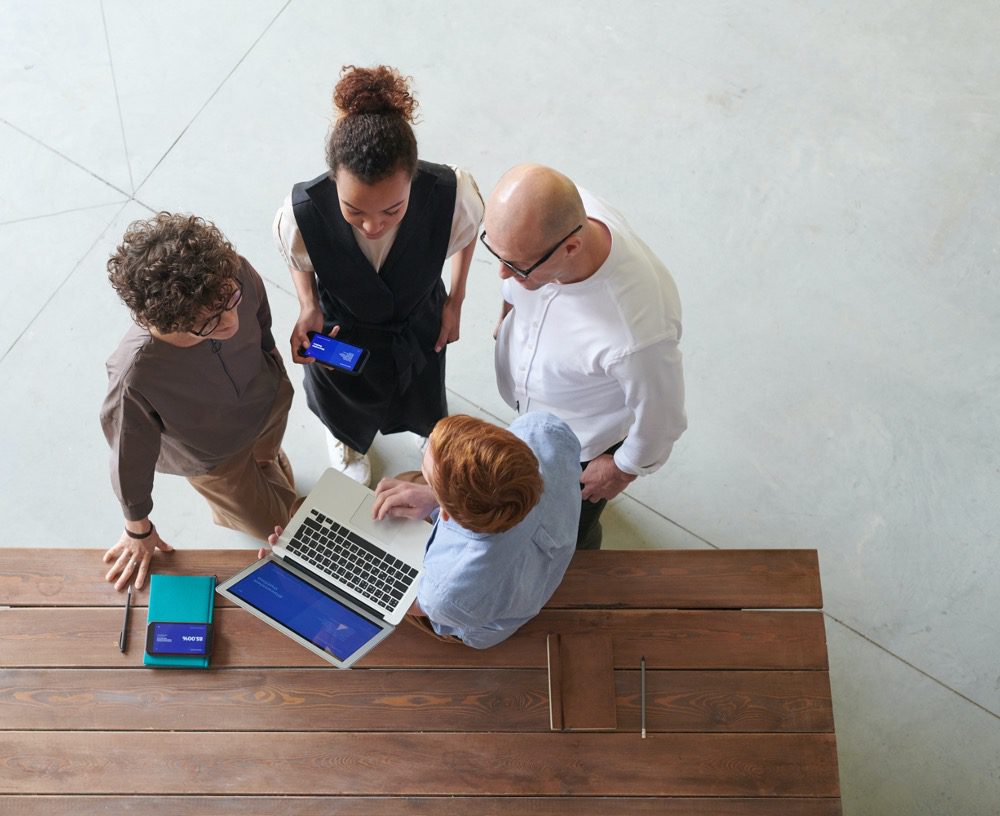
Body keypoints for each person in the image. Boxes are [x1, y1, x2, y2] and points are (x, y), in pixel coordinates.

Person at [273, 64, 483, 486]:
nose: (372, 226)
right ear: (334, 181)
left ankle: (429, 433)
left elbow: (465, 237)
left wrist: (455, 301)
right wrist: (308, 305)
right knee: (340, 396)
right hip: (343, 326)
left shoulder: (451, 193)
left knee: (423, 384)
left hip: (416, 316)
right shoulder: (299, 214)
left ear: (413, 177)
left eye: (392, 209)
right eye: (354, 211)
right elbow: (301, 260)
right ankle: (345, 438)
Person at [482, 164, 687, 550]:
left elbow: (663, 417)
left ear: (570, 248)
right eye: (496, 253)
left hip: (580, 446)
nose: (502, 274)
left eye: (516, 266)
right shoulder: (549, 220)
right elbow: (513, 274)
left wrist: (622, 470)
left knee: (563, 534)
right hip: (537, 411)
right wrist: (506, 315)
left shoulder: (637, 334)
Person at [100, 213, 299, 591]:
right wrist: (138, 529)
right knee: (277, 525)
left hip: (267, 397)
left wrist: (270, 353)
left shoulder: (229, 274)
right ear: (166, 323)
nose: (230, 322)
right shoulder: (135, 377)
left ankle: (266, 462)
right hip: (216, 459)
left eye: (229, 301)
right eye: (207, 323)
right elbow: (128, 457)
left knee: (267, 456)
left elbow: (258, 314)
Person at [370, 412, 582, 648]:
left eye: (431, 480)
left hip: (480, 623)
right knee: (405, 485)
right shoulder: (543, 430)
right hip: (544, 566)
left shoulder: (446, 594)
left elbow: (417, 603)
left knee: (403, 480)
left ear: (446, 513)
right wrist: (435, 494)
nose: (429, 440)